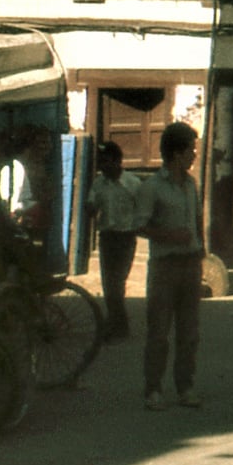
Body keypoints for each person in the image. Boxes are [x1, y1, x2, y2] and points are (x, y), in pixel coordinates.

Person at [137, 121, 206, 410]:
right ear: (176, 153)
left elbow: (197, 221)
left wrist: (201, 250)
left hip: (190, 265)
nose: (194, 155)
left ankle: (185, 386)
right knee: (159, 333)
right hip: (165, 266)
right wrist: (169, 235)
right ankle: (153, 389)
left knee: (189, 332)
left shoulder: (191, 184)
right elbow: (139, 225)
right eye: (190, 149)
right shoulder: (152, 187)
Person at [90, 141, 142, 342]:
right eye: (101, 162)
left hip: (126, 237)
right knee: (109, 284)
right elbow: (91, 206)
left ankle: (116, 325)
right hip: (107, 238)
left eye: (106, 161)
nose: (103, 166)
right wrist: (90, 208)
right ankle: (118, 325)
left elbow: (143, 208)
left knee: (116, 283)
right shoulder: (98, 183)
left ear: (117, 161)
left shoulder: (132, 184)